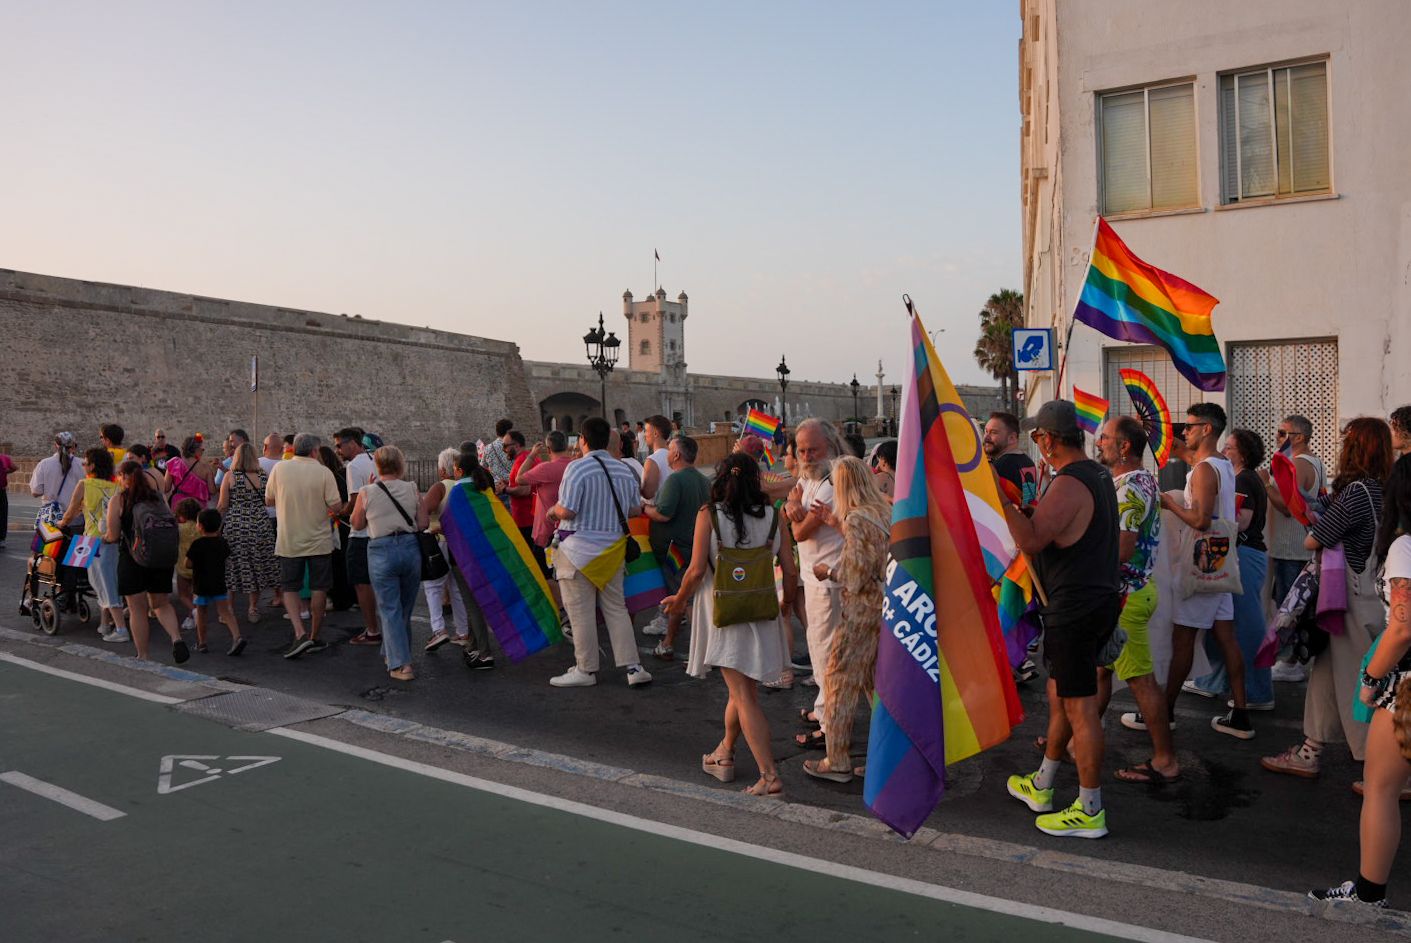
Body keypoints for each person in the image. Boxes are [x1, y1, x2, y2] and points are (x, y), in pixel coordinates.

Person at [1000, 400, 1119, 839]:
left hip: (1076, 606)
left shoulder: (1071, 482)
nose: (1037, 445)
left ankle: (1090, 809)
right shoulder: (1098, 474)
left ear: (1048, 439)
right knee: (1060, 696)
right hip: (1090, 600)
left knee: (1081, 708)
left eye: (1037, 438)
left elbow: (1032, 540)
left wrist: (1004, 503)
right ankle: (1044, 784)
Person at [1263, 418, 1393, 778]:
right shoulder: (1384, 488)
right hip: (1367, 594)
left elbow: (1315, 539)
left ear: (1355, 447)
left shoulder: (1357, 491)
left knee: (1357, 683)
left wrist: (1313, 519)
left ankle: (1382, 770)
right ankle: (1310, 750)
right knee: (1324, 674)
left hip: (1350, 597)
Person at [1310, 455, 1411, 907]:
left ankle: (1369, 893)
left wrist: (1370, 680)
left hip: (1406, 685)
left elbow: (1404, 626)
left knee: (1381, 787)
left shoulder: (1405, 547)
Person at [664, 452, 795, 797]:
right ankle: (724, 753)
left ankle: (769, 775)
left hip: (723, 613)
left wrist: (678, 601)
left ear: (720, 479)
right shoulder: (772, 516)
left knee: (743, 695)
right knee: (743, 692)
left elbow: (694, 572)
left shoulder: (709, 515)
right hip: (760, 610)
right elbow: (790, 569)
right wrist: (788, 605)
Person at [1156, 403, 1255, 740]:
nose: (1185, 430)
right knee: (1227, 637)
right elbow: (1198, 467)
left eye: (1190, 425)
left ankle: (1163, 713)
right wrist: (1177, 448)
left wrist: (1170, 504)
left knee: (1182, 637)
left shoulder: (1203, 470)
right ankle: (1240, 712)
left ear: (1207, 429)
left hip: (1202, 562)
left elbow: (1200, 519)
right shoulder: (1223, 465)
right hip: (1222, 561)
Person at [1094, 417, 1178, 785]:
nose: (1100, 443)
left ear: (1124, 445)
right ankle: (1074, 740)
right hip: (1125, 593)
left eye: (1106, 438)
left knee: (1142, 681)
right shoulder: (1140, 480)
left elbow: (1123, 549)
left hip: (1127, 596)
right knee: (1099, 673)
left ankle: (1165, 760)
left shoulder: (1129, 487)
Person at [800, 456, 889, 783]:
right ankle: (887, 758)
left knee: (837, 679)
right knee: (874, 684)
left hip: (862, 611)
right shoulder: (882, 512)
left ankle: (836, 761)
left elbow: (854, 576)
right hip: (885, 609)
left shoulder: (855, 519)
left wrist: (828, 571)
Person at [548, 416, 653, 689]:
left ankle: (585, 668)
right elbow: (633, 509)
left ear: (582, 440)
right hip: (613, 551)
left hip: (578, 552)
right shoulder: (622, 470)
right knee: (617, 609)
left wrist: (552, 511)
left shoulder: (577, 469)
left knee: (580, 612)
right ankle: (633, 667)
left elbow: (567, 510)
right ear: (608, 440)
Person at [1185, 430, 1273, 711]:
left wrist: (1212, 508)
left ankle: (1257, 692)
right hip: (1244, 554)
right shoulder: (1243, 477)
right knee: (1223, 624)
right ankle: (1211, 681)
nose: (1224, 449)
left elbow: (1242, 521)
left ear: (1243, 453)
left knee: (1246, 626)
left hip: (1244, 554)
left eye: (1230, 447)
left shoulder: (1245, 479)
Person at [784, 418, 846, 728]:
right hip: (815, 579)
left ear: (831, 447)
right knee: (819, 648)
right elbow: (791, 499)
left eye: (813, 450)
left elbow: (800, 533)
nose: (806, 456)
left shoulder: (833, 482)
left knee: (826, 654)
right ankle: (823, 710)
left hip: (830, 583)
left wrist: (794, 510)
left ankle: (829, 727)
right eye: (802, 450)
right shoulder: (810, 477)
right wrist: (791, 505)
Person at [1260, 414, 1327, 684]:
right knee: (1293, 603)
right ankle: (1293, 658)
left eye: (1281, 432)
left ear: (1298, 437)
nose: (1277, 438)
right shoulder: (1313, 462)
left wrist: (1266, 483)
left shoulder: (1299, 464)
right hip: (1296, 546)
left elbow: (1289, 508)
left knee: (1291, 606)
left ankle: (1289, 661)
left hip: (1292, 548)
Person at [350, 445, 426, 682]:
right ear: (400, 465)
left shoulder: (366, 491)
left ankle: (402, 665)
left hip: (381, 549)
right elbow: (422, 523)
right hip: (409, 547)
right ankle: (392, 652)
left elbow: (356, 524)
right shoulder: (412, 488)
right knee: (403, 608)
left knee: (389, 609)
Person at [265, 433, 342, 659]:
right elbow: (336, 506)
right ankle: (314, 635)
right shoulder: (323, 472)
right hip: (318, 540)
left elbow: (268, 500)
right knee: (319, 587)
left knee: (290, 587)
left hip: (289, 537)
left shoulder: (280, 469)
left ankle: (299, 632)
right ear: (314, 451)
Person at [105, 460, 188, 663]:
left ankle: (143, 655)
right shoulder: (159, 497)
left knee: (137, 609)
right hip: (161, 558)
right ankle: (176, 638)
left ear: (123, 477)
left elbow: (113, 535)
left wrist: (104, 538)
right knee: (161, 604)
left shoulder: (119, 500)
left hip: (133, 559)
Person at [642, 434, 710, 658]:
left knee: (685, 599)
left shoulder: (676, 480)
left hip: (676, 551)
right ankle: (669, 643)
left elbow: (663, 514)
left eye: (670, 449)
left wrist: (645, 509)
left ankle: (703, 648)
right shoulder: (703, 480)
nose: (667, 453)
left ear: (677, 454)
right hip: (695, 548)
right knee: (686, 598)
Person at [57, 447, 127, 643]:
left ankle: (120, 628)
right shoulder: (116, 487)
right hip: (111, 539)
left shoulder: (84, 484)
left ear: (93, 465)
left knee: (100, 582)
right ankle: (104, 623)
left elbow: (70, 513)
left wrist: (61, 523)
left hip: (90, 540)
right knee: (101, 581)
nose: (83, 464)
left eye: (86, 462)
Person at [440, 444, 500, 670]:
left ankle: (484, 652)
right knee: (478, 601)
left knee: (472, 605)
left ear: (459, 470)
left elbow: (450, 523)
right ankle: (475, 646)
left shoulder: (458, 491)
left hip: (463, 556)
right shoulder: (483, 490)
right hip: (483, 552)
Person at [217, 442, 279, 623]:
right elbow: (269, 502)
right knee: (256, 565)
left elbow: (223, 505)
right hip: (260, 525)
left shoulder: (230, 476)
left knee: (232, 567)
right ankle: (253, 608)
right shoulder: (263, 476)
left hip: (236, 526)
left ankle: (228, 610)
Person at [418, 447, 470, 651]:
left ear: (442, 470)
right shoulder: (462, 487)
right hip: (458, 543)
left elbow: (425, 509)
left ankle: (439, 630)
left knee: (433, 587)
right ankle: (463, 631)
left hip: (438, 541)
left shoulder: (440, 487)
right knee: (457, 588)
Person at [335, 427, 381, 646]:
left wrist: (339, 511)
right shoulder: (377, 459)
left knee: (361, 583)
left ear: (352, 443)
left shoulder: (353, 466)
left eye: (339, 445)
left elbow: (354, 501)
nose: (338, 451)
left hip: (361, 532)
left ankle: (372, 630)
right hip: (381, 530)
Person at [186, 509, 246, 656]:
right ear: (219, 526)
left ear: (200, 526)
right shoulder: (222, 542)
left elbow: (188, 563)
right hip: (219, 582)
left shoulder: (197, 544)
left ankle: (202, 643)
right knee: (225, 612)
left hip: (201, 584)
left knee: (201, 612)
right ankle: (237, 637)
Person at [317, 444, 352, 612]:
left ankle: (339, 599)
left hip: (337, 523)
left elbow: (338, 502)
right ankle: (348, 597)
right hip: (345, 523)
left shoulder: (330, 477)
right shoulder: (343, 473)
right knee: (343, 562)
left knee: (336, 562)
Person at [984, 411, 1038, 507]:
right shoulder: (1028, 461)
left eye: (993, 432)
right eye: (986, 431)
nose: (986, 437)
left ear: (1012, 438)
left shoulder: (1001, 466)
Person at [30, 432, 81, 527]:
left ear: (56, 445)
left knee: (50, 542)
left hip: (51, 518)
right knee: (75, 542)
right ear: (72, 445)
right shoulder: (82, 464)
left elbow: (35, 492)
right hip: (75, 518)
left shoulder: (44, 464)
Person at [172, 497, 202, 629]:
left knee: (183, 594)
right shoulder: (200, 528)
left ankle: (194, 612)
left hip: (183, 567)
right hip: (199, 568)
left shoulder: (179, 529)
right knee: (196, 594)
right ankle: (193, 614)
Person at [164, 435, 215, 508]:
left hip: (179, 504)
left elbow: (166, 488)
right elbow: (212, 491)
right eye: (202, 449)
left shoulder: (175, 463)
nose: (202, 452)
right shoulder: (206, 468)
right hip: (198, 506)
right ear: (196, 450)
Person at [640, 414, 673, 500]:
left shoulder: (653, 460)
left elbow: (648, 494)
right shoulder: (675, 456)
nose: (644, 435)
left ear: (655, 433)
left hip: (656, 510)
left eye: (646, 431)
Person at [482, 418, 516, 488]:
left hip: (496, 487)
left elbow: (483, 467)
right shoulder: (512, 446)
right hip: (512, 485)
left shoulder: (487, 448)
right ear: (508, 431)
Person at [0, 447, 13, 549]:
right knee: (3, 514)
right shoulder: (4, 458)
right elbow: (15, 467)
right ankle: (1, 539)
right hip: (1, 490)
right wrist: (6, 471)